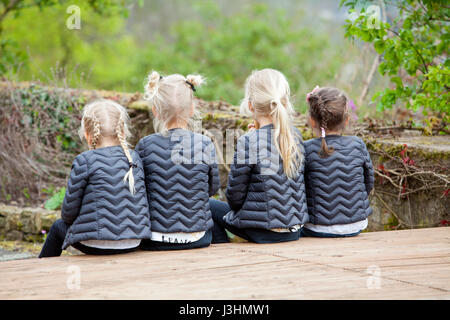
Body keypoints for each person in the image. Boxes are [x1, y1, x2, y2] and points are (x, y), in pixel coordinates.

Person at [39, 99, 151, 258]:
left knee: (58, 227)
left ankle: (44, 268)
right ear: (123, 132)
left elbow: (68, 214)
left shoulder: (84, 160)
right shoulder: (134, 159)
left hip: (95, 244)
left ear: (87, 133)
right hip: (134, 241)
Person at [209, 68, 308, 244]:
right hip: (294, 230)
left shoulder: (249, 141)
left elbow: (234, 198)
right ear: (284, 103)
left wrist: (252, 139)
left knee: (207, 205)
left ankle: (222, 248)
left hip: (263, 232)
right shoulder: (296, 136)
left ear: (250, 105)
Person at [136, 71, 220, 250]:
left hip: (155, 239)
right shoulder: (204, 143)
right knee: (216, 215)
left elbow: (138, 190)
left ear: (155, 111)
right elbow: (212, 188)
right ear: (191, 109)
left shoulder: (145, 145)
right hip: (197, 237)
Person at [302, 86, 374, 237]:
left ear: (312, 121)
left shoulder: (306, 149)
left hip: (317, 227)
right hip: (355, 224)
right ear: (347, 120)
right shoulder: (357, 144)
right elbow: (368, 182)